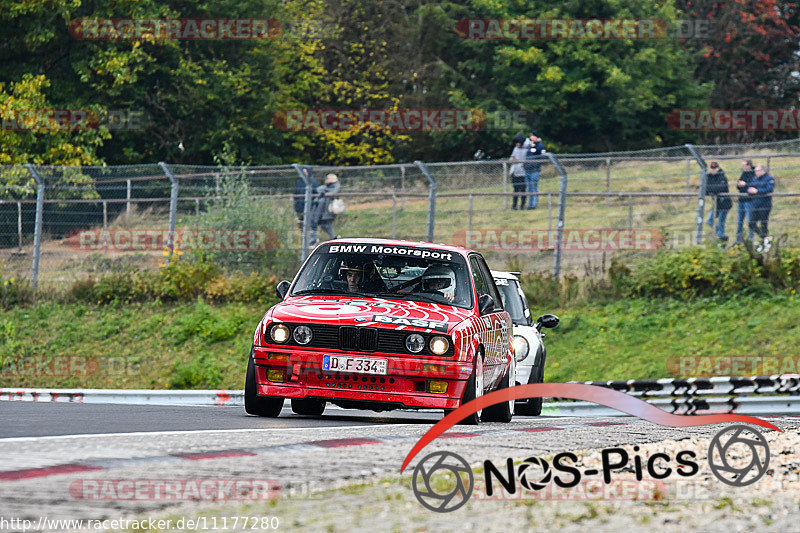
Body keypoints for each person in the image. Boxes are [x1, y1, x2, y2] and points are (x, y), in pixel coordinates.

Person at [748, 165, 775, 252]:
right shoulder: (755, 178)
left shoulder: (769, 178)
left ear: (763, 171)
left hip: (765, 205)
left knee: (763, 223)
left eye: (758, 171)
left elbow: (769, 189)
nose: (756, 172)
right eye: (755, 171)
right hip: (755, 204)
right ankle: (765, 238)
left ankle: (766, 244)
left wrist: (757, 191)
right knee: (751, 223)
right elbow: (750, 187)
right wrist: (750, 190)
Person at [705, 162, 732, 243]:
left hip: (724, 203)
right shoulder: (709, 177)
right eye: (712, 168)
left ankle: (721, 238)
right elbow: (705, 188)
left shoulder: (722, 176)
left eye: (715, 168)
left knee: (721, 221)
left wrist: (712, 190)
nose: (713, 170)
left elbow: (722, 187)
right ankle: (721, 236)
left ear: (718, 168)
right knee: (709, 220)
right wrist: (713, 190)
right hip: (716, 203)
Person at [310, 173, 341, 244]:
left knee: (328, 225)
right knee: (323, 225)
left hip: (329, 209)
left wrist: (324, 193)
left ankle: (334, 239)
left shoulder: (336, 185)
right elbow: (319, 190)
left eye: (328, 178)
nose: (326, 180)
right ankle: (333, 238)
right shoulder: (326, 187)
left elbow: (333, 193)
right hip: (323, 210)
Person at [522, 130, 546, 209]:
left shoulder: (540, 146)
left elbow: (543, 157)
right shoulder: (530, 145)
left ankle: (534, 204)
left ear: (536, 136)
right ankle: (530, 204)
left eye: (532, 136)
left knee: (534, 188)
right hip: (527, 170)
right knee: (529, 188)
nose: (530, 137)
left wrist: (535, 164)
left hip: (535, 170)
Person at [735, 160, 755, 244]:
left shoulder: (754, 173)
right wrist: (739, 184)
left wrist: (745, 185)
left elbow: (753, 185)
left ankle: (750, 239)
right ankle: (738, 240)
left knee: (749, 221)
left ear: (749, 166)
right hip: (742, 199)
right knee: (739, 221)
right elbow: (738, 185)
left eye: (744, 165)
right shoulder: (744, 173)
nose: (742, 167)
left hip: (749, 201)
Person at [294, 166, 319, 231]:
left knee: (310, 222)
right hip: (299, 205)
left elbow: (316, 193)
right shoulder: (299, 181)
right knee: (301, 222)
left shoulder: (313, 181)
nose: (303, 173)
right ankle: (303, 235)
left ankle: (312, 237)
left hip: (309, 205)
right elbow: (296, 192)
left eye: (305, 172)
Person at [509, 133, 528, 210]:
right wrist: (513, 160)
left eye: (518, 142)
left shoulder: (526, 149)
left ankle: (523, 205)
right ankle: (514, 205)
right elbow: (511, 158)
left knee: (523, 189)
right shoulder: (516, 148)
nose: (517, 144)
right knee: (515, 189)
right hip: (515, 171)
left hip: (523, 172)